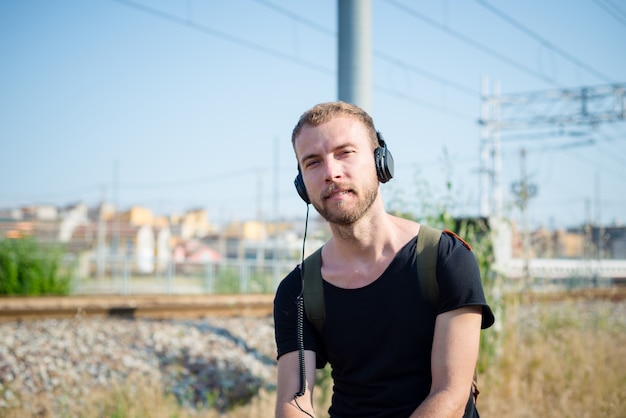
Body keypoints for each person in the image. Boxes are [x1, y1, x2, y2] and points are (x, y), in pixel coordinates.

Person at [273, 101, 495, 418]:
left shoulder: (444, 258)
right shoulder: (297, 289)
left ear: (381, 162)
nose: (331, 173)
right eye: (312, 163)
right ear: (301, 186)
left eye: (345, 153)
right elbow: (294, 401)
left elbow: (451, 394)